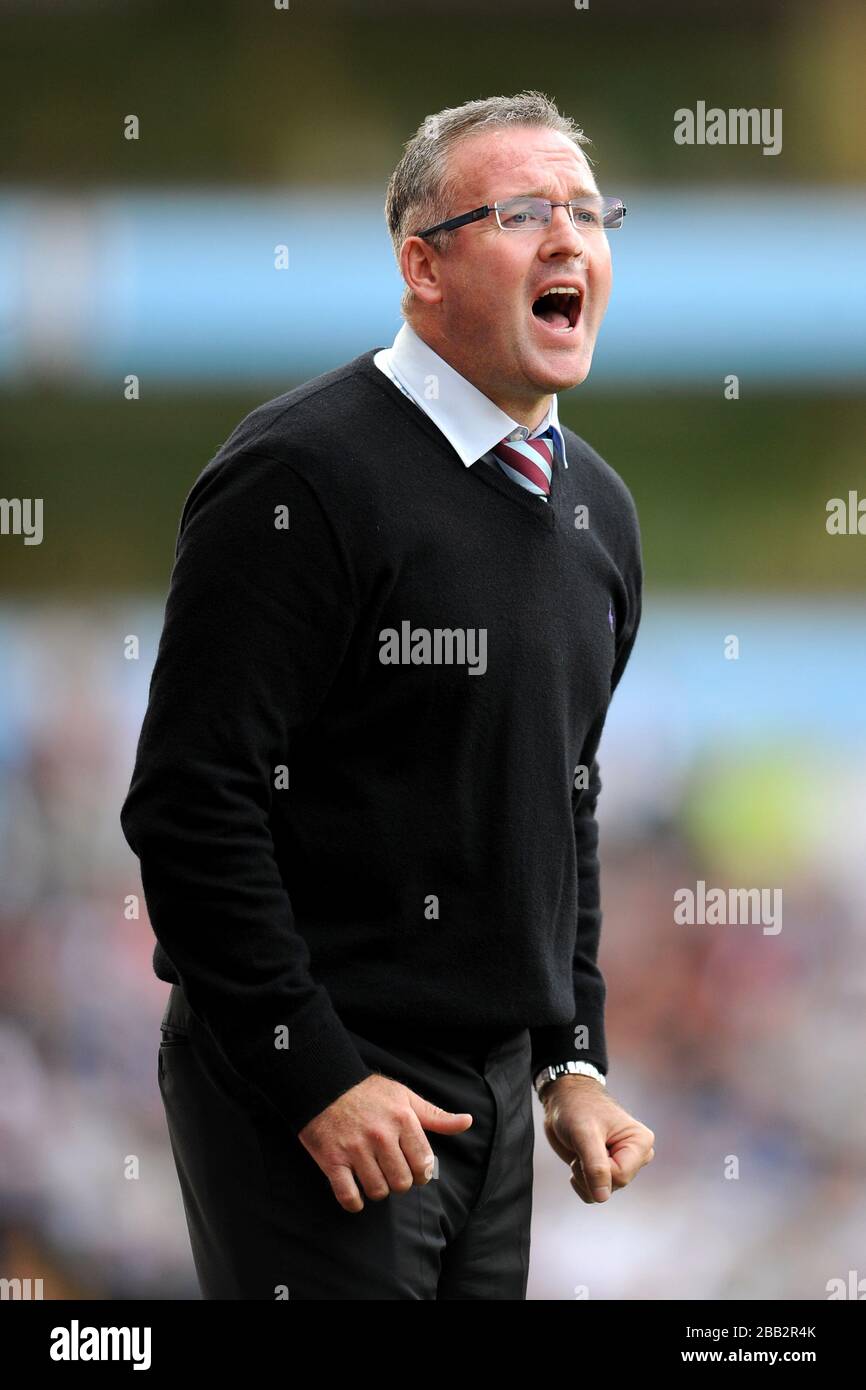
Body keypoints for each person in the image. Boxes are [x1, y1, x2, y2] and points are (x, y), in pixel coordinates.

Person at [120, 89, 654, 1301]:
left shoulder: (598, 514)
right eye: (524, 212)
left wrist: (573, 1057)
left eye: (587, 210)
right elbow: (191, 806)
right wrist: (312, 1075)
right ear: (422, 265)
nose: (568, 238)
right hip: (320, 1089)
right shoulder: (298, 477)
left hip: (495, 1106)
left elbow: (558, 801)